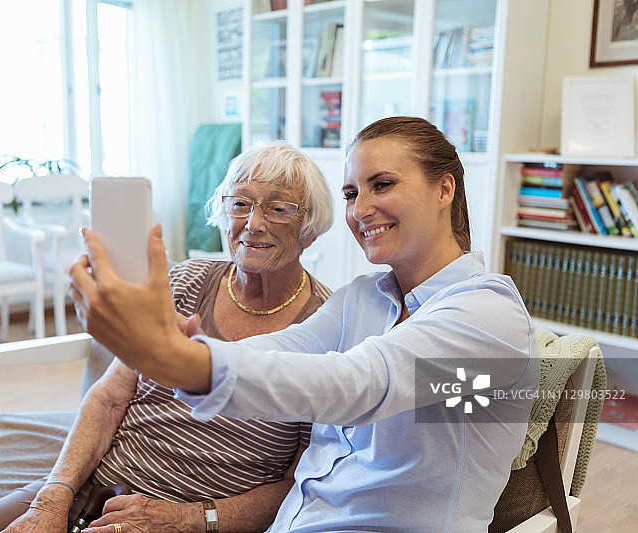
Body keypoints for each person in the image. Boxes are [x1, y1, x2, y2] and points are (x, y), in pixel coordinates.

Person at [69, 116, 539, 532]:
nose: (360, 209)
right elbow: (280, 349)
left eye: (383, 184)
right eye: (353, 193)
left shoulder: (488, 317)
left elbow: (360, 383)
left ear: (444, 188)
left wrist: (177, 360)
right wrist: (174, 344)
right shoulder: (363, 299)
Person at [0, 141, 334, 533]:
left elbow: (301, 483)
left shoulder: (328, 328)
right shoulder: (185, 283)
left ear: (310, 229)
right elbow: (109, 397)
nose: (253, 223)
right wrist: (53, 498)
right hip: (96, 487)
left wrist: (187, 519)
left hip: (189, 518)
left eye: (279, 208)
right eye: (240, 204)